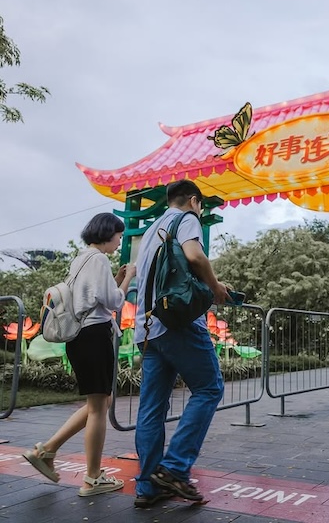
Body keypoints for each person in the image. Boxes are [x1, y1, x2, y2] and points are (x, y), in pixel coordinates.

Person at [132, 180, 231, 508]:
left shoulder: (151, 230)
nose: (200, 212)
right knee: (209, 388)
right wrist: (215, 286)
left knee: (151, 408)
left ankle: (147, 487)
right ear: (192, 200)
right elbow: (194, 255)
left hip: (146, 329)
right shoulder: (185, 219)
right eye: (200, 206)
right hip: (177, 322)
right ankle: (174, 468)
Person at [23, 213, 135, 496]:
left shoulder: (81, 258)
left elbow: (92, 294)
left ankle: (46, 451)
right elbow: (112, 301)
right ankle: (93, 478)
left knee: (97, 403)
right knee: (100, 407)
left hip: (78, 337)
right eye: (118, 237)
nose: (119, 242)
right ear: (107, 234)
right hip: (94, 336)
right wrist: (127, 280)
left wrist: (115, 279)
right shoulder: (98, 259)